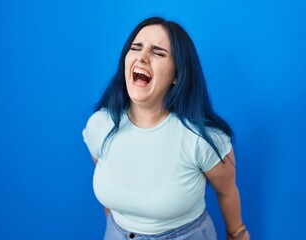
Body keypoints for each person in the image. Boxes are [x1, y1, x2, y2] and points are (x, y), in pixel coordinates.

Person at [82, 16, 250, 240]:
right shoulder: (100, 125)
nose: (142, 57)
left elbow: (227, 191)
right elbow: (111, 200)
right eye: (135, 48)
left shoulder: (203, 138)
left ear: (177, 75)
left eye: (158, 52)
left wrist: (238, 234)